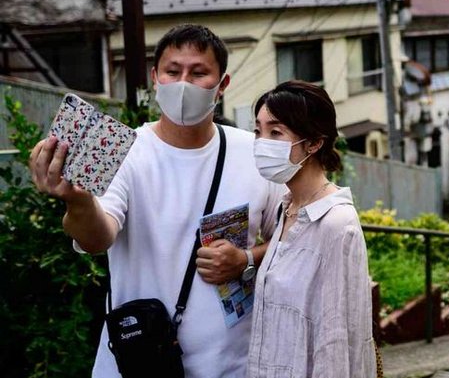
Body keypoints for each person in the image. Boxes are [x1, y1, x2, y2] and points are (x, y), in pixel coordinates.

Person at [28, 24, 286, 378]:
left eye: (198, 73)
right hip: (137, 363)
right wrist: (78, 200)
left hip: (233, 364)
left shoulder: (251, 153)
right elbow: (95, 238)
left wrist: (246, 259)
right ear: (155, 78)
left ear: (222, 84)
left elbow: (294, 237)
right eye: (172, 71)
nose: (183, 83)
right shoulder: (124, 151)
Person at [247, 81, 376, 377]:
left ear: (314, 142)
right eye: (258, 131)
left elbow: (336, 341)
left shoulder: (336, 223)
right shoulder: (288, 208)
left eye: (275, 132)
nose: (261, 142)